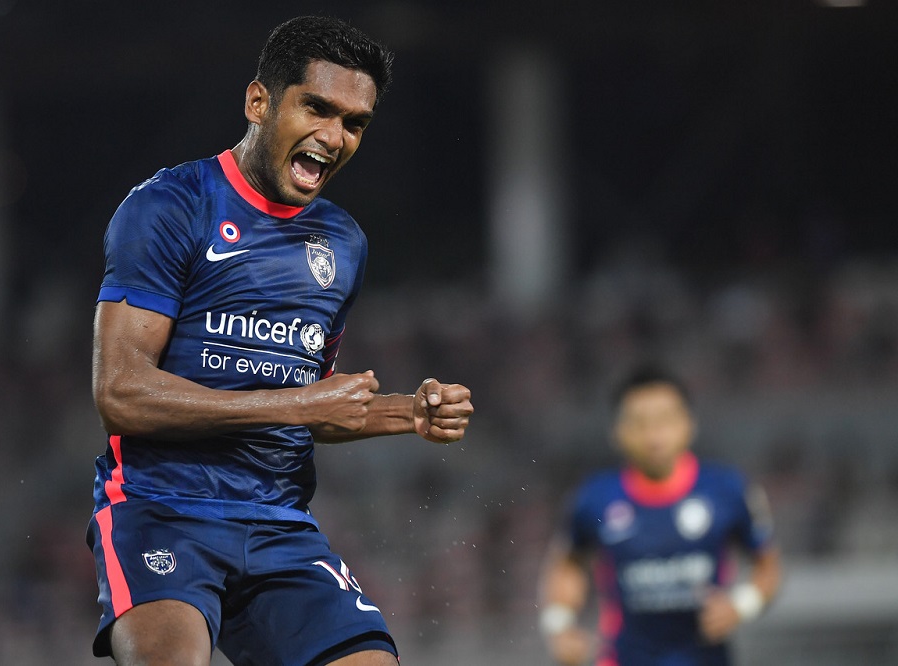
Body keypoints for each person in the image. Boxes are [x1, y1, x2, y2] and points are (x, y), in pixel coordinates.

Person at [86, 16, 473, 666]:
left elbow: (316, 404)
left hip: (279, 524)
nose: (334, 136)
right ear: (259, 101)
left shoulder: (342, 244)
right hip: (162, 509)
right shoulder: (170, 207)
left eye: (355, 123)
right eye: (317, 108)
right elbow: (120, 394)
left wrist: (409, 412)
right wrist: (299, 407)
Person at [537, 366, 781, 665]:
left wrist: (742, 605)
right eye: (640, 423)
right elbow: (567, 563)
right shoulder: (595, 498)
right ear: (618, 432)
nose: (653, 435)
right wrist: (560, 626)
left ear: (689, 424)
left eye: (664, 420)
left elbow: (768, 565)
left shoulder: (728, 490)